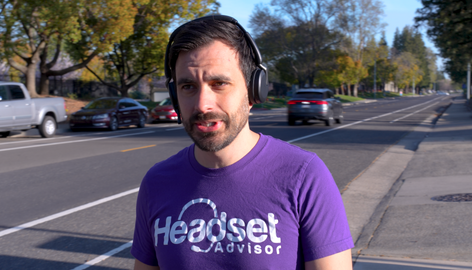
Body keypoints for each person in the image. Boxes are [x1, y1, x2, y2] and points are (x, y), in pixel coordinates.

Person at [131, 15, 354, 270]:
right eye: (188, 86)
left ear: (252, 90)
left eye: (219, 84)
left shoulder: (305, 177)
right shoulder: (156, 182)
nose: (203, 104)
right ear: (175, 96)